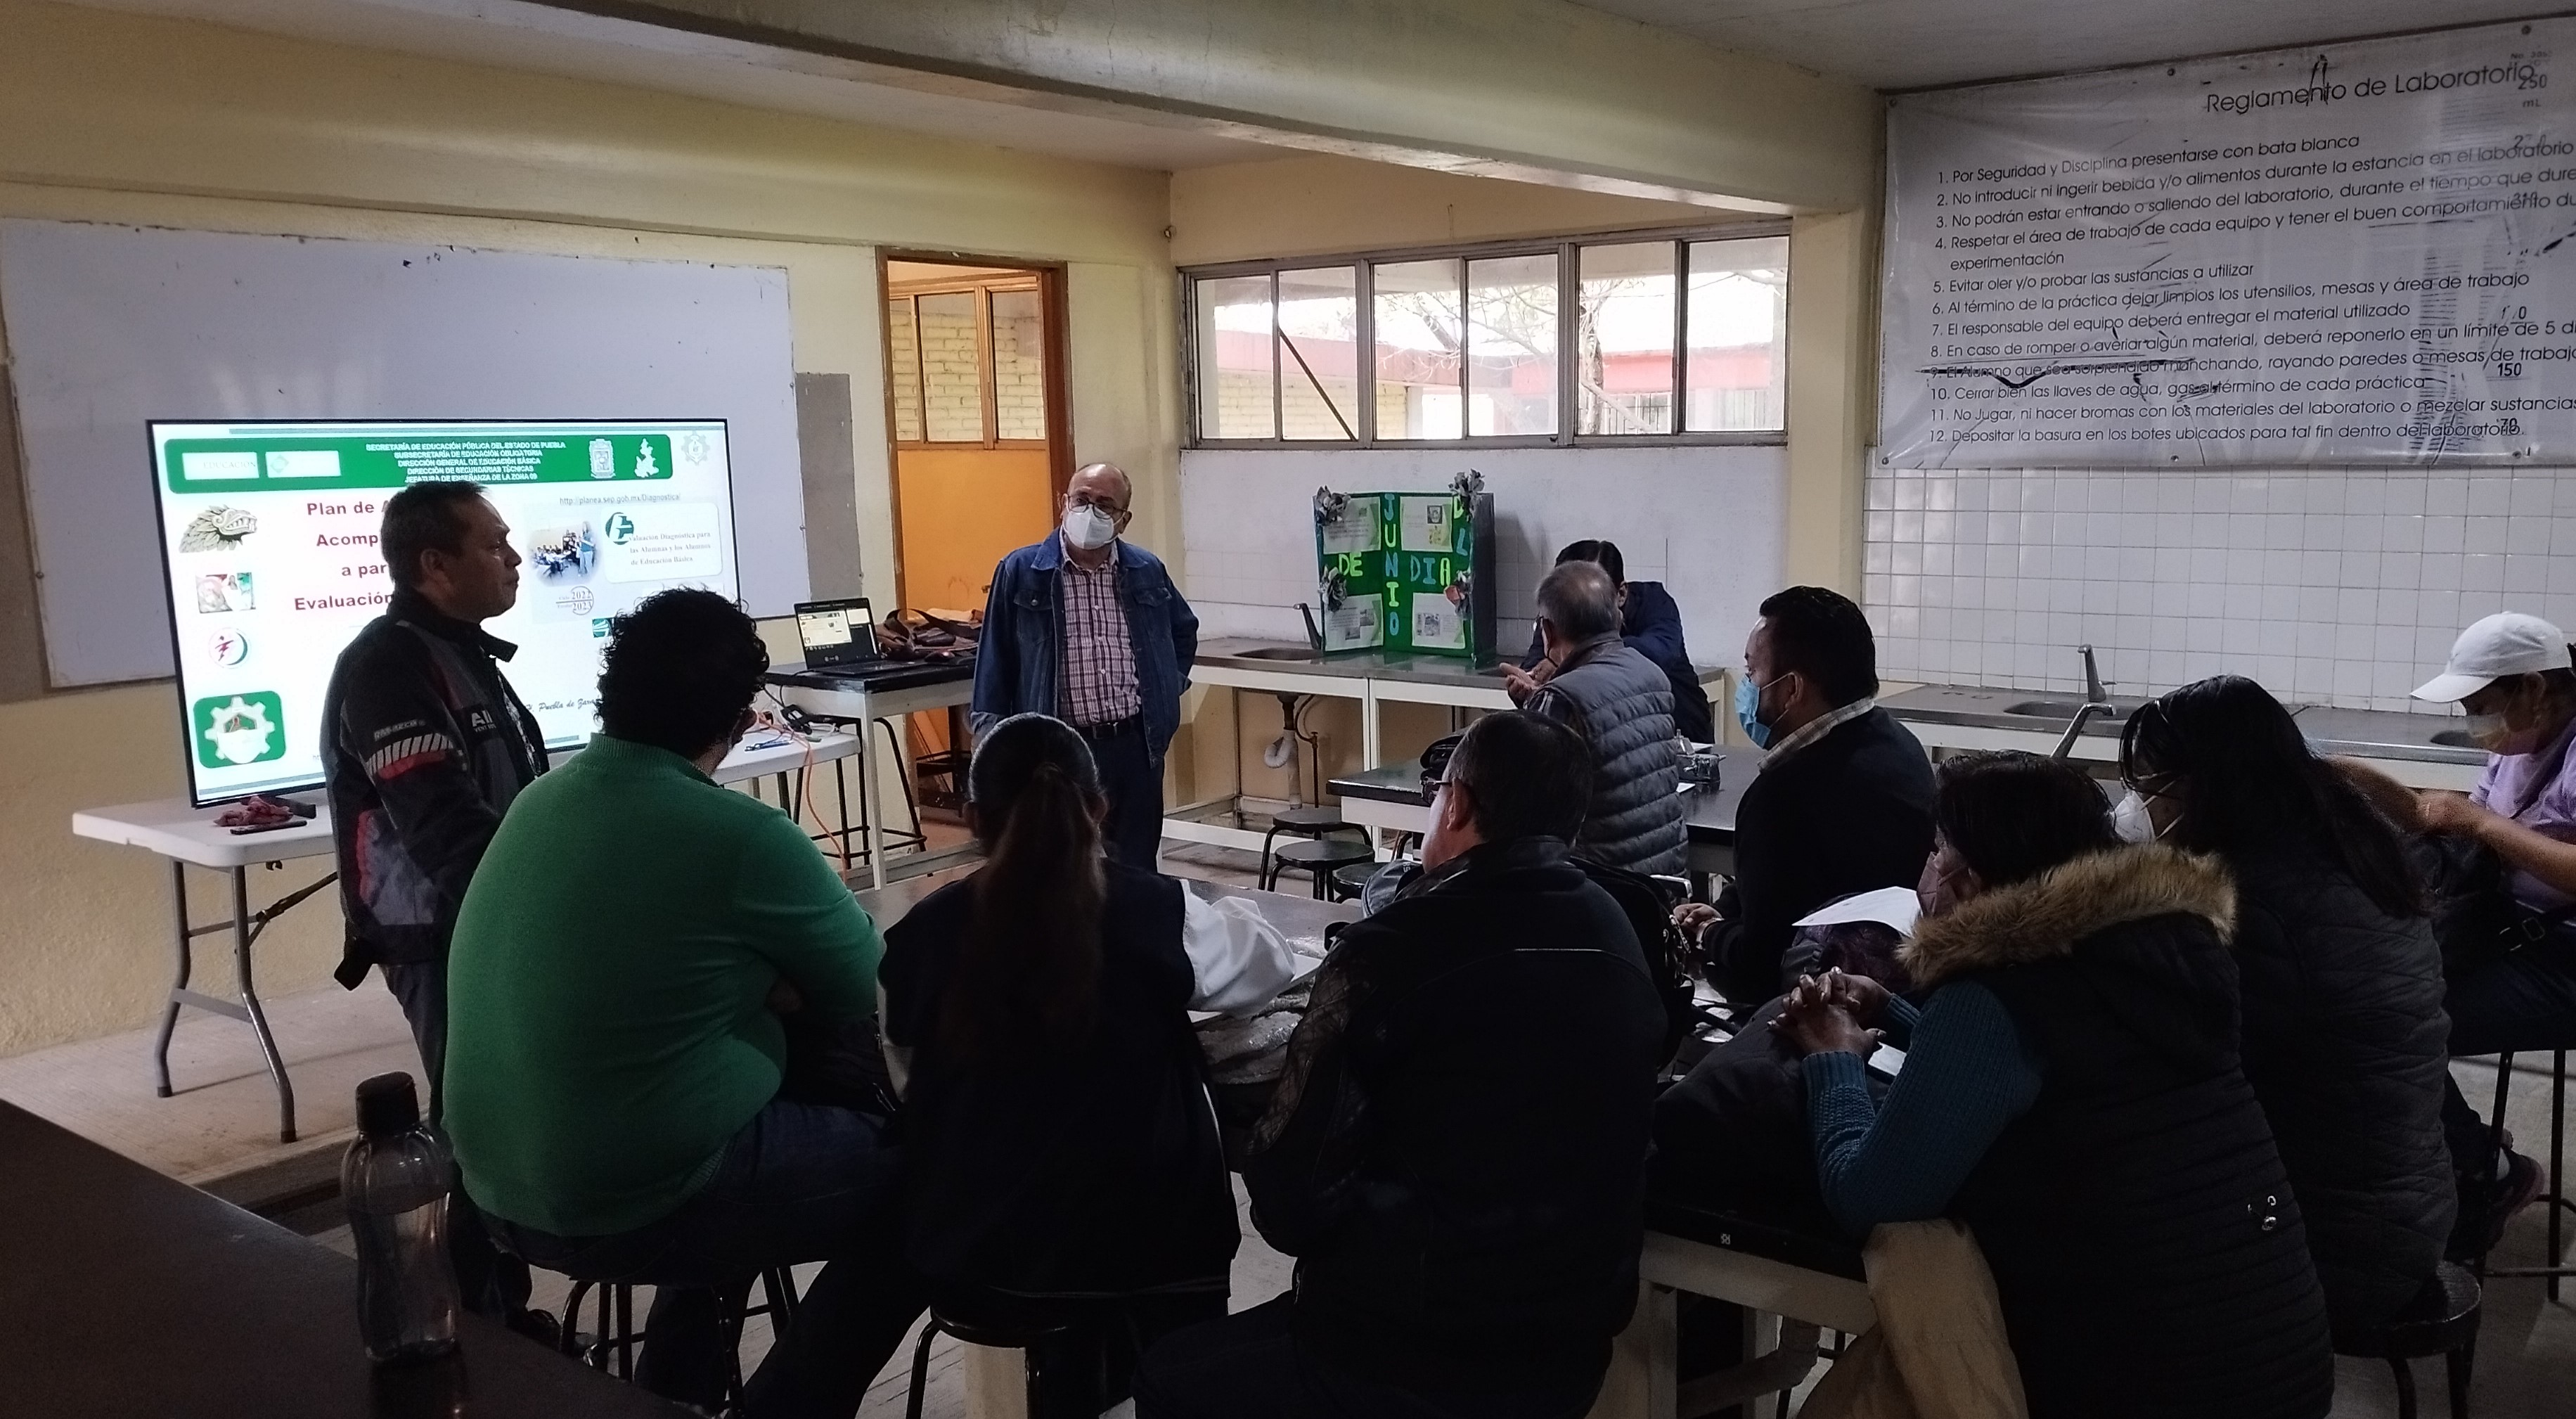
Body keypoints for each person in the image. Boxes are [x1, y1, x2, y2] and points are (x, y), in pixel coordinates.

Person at [442, 589, 924, 1417]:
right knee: (926, 1191)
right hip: (625, 1194)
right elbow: (873, 988)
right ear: (737, 721)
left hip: (489, 1192)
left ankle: (675, 1394)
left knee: (724, 1147)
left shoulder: (539, 801)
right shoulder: (741, 834)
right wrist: (771, 979)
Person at [1135, 711, 1671, 1419]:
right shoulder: (1619, 928)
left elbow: (1292, 1203)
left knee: (1168, 1376)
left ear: (1457, 804)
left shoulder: (1390, 949)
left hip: (1411, 1358)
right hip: (1569, 1355)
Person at [1779, 750, 2332, 1419]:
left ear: (1970, 881)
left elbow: (1868, 1197)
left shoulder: (1995, 998)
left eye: (1937, 848)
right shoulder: (2153, 952)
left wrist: (1834, 1058)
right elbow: (2060, 1070)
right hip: (2278, 1360)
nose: (1926, 868)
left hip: (2152, 1386)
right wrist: (1893, 1012)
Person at [878, 713, 1298, 1417]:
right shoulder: (1159, 912)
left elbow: (903, 1079)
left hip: (981, 1253)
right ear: (1100, 808)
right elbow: (1269, 965)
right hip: (1152, 1252)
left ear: (973, 817)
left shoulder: (918, 936)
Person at [2118, 675, 2453, 1341]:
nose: (2141, 807)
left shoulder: (2260, 902)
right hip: (2404, 1208)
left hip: (2337, 1243)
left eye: (2152, 786)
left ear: (2205, 787)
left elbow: (2197, 1067)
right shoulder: (2345, 842)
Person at [318, 480, 542, 1329]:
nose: (514, 558)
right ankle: (474, 1326)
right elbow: (445, 826)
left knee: (491, 1112)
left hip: (487, 921)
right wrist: (531, 919)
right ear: (435, 564)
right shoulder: (389, 666)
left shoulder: (461, 652)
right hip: (442, 933)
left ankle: (501, 1313)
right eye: (493, 543)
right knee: (470, 1122)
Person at [2409, 610, 2576, 1250]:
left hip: (2563, 962)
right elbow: (2479, 818)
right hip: (2511, 934)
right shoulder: (2519, 747)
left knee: (2401, 1026)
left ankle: (2489, 1171)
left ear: (2533, 689)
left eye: (2482, 706)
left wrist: (2480, 825)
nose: (2477, 722)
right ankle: (2458, 1146)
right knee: (2365, 995)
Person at [1696, 585, 1936, 1003]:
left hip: (1814, 1004)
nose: (1748, 686)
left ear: (1792, 689)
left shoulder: (1782, 798)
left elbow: (1760, 967)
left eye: (1752, 673)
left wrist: (1707, 933)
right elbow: (1785, 886)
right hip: (1891, 990)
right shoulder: (1901, 746)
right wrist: (1729, 910)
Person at [972, 462, 1198, 868]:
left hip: (1135, 746)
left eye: (1105, 505)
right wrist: (996, 746)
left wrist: (1167, 686)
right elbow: (994, 665)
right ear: (1064, 504)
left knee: (1136, 869)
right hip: (1058, 750)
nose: (1090, 511)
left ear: (1124, 520)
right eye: (1082, 499)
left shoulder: (1146, 570)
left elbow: (1183, 631)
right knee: (1059, 867)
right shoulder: (1021, 572)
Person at [1517, 560, 1689, 875]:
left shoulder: (1561, 699)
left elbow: (1529, 813)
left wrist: (1532, 710)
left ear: (1548, 631)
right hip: (1665, 878)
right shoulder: (1652, 674)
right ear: (1616, 617)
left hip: (1599, 885)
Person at [1512, 539, 1713, 742]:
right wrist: (1530, 691)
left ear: (1621, 593)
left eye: (1591, 590)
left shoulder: (1653, 602)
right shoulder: (1556, 616)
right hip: (1610, 736)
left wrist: (1571, 657)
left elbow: (1657, 655)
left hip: (1682, 730)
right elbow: (1536, 672)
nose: (1578, 605)